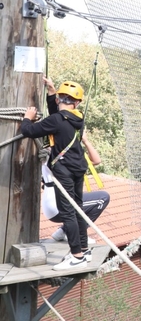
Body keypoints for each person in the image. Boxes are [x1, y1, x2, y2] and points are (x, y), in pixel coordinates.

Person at [21, 77, 90, 271]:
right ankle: (84, 249)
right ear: (77, 103)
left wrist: (27, 117)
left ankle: (77, 255)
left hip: (65, 169)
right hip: (78, 167)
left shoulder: (57, 120)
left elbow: (29, 131)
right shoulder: (78, 118)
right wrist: (51, 92)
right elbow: (57, 119)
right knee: (77, 208)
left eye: (60, 98)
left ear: (60, 100)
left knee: (67, 211)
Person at [44, 133, 110, 244]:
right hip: (58, 205)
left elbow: (96, 161)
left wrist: (85, 141)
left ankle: (63, 230)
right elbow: (95, 161)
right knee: (102, 198)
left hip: (49, 207)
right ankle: (79, 233)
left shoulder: (53, 153)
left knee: (83, 199)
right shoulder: (57, 154)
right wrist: (85, 141)